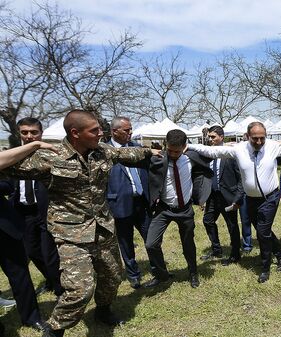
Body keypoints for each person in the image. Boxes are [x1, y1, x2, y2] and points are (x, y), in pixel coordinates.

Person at [1, 109, 160, 337]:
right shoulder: (50, 156)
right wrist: (33, 145)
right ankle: (56, 329)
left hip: (103, 228)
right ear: (76, 133)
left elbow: (127, 154)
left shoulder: (102, 151)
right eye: (94, 130)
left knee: (113, 277)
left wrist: (150, 151)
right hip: (71, 233)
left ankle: (103, 311)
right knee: (79, 290)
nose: (100, 133)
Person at [187, 122, 281, 283]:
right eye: (255, 139)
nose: (259, 142)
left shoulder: (273, 146)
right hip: (250, 199)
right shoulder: (239, 149)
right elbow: (213, 151)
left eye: (262, 138)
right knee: (262, 230)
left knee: (262, 232)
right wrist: (188, 146)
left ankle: (265, 267)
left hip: (270, 197)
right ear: (247, 136)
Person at [0, 141, 58, 334]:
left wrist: (35, 144)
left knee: (20, 275)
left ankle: (32, 317)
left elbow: (4, 161)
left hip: (5, 226)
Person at [143, 129, 212, 289]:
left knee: (188, 244)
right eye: (170, 150)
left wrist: (201, 196)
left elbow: (214, 153)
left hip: (185, 210)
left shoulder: (192, 158)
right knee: (150, 244)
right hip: (164, 209)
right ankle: (162, 275)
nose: (173, 154)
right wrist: (147, 150)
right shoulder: (157, 158)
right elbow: (130, 156)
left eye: (177, 151)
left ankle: (193, 272)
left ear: (184, 147)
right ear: (166, 145)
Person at [6, 118, 62, 296]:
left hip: (45, 210)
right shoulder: (11, 157)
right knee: (32, 251)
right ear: (19, 133)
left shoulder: (50, 155)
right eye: (24, 132)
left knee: (50, 253)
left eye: (33, 132)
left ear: (41, 133)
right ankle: (51, 280)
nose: (29, 136)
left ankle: (61, 288)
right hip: (23, 212)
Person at [106, 116, 153, 289]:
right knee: (126, 243)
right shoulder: (104, 151)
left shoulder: (137, 148)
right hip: (119, 204)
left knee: (152, 239)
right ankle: (133, 274)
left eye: (131, 129)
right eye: (126, 130)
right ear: (114, 131)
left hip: (142, 202)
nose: (130, 133)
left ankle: (158, 269)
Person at [201, 125, 244, 266]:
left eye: (213, 136)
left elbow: (240, 178)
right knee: (208, 220)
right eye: (209, 136)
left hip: (228, 197)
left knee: (232, 225)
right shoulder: (208, 154)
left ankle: (235, 254)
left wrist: (238, 198)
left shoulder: (231, 153)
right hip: (212, 196)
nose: (210, 139)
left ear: (221, 137)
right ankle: (216, 249)